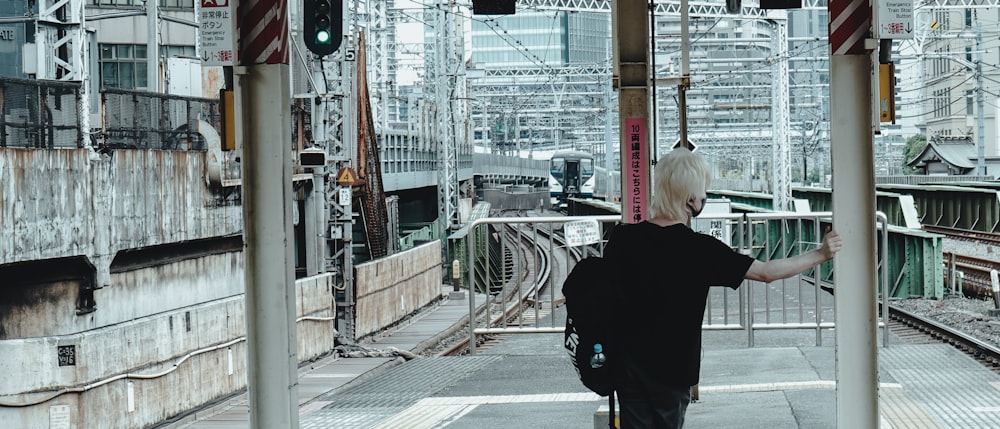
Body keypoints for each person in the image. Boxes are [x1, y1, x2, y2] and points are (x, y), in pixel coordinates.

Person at [602, 147, 842, 429]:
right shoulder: (699, 249)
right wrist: (820, 255)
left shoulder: (624, 239)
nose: (704, 196)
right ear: (690, 197)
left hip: (627, 367)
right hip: (672, 370)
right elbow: (765, 273)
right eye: (703, 190)